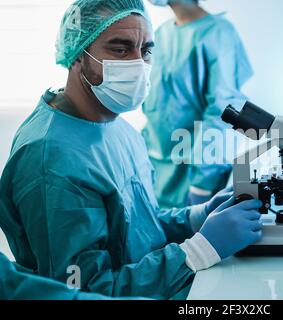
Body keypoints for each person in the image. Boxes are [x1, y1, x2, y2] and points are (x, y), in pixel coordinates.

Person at [0, 0, 262, 299]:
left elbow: (137, 227)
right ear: (77, 54)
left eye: (146, 50)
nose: (138, 63)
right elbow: (85, 291)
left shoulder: (115, 126)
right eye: (120, 49)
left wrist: (195, 217)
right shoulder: (51, 161)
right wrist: (197, 252)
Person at [143, 0, 254, 208]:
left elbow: (223, 110)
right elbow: (156, 109)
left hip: (196, 177)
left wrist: (201, 185)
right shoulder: (161, 33)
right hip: (158, 172)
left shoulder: (218, 33)